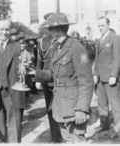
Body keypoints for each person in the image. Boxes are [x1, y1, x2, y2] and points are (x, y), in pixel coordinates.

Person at [29, 13, 93, 143]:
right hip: (61, 106)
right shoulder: (58, 48)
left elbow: (86, 82)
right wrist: (34, 73)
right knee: (67, 140)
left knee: (77, 140)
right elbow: (53, 74)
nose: (49, 32)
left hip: (74, 108)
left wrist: (82, 109)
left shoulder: (76, 48)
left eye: (50, 29)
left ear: (58, 30)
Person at [35, 12, 62, 143]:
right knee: (50, 110)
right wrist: (38, 79)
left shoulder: (60, 39)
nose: (48, 26)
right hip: (46, 80)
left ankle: (62, 136)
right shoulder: (42, 41)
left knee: (61, 109)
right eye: (47, 24)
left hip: (59, 79)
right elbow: (39, 61)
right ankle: (55, 138)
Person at [93, 16, 120, 138]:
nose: (100, 28)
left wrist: (114, 75)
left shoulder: (115, 38)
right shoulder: (99, 40)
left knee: (115, 105)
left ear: (108, 24)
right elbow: (97, 60)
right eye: (98, 26)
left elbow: (117, 58)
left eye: (102, 25)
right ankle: (104, 125)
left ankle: (118, 129)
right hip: (100, 79)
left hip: (110, 78)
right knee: (102, 103)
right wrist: (95, 74)